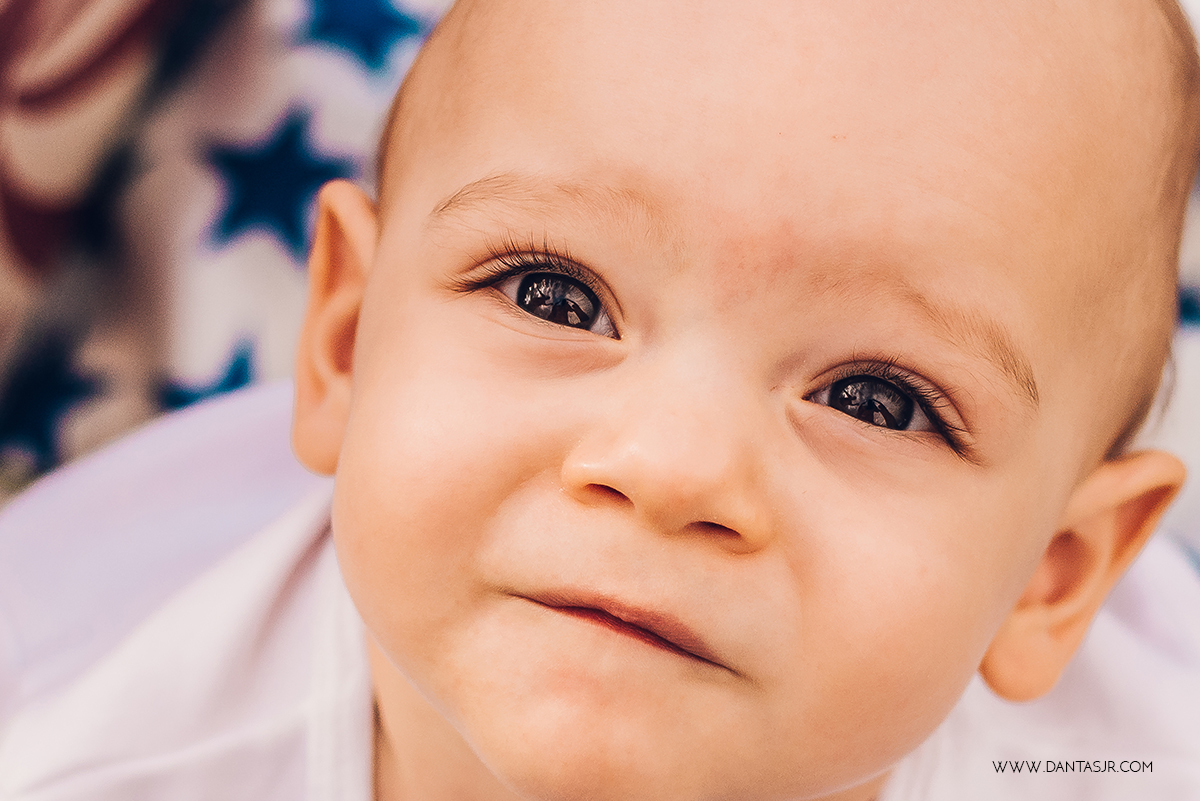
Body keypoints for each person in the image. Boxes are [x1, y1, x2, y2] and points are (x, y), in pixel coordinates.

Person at [2, 0, 1200, 799]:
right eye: (554, 297)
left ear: (1059, 574)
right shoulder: (79, 755)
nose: (673, 468)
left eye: (878, 401)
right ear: (348, 342)